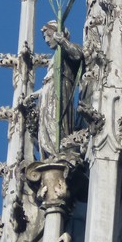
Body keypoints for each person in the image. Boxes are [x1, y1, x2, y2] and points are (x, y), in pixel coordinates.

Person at [37, 20, 84, 158]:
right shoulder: (54, 57)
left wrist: (63, 41)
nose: (46, 40)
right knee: (45, 123)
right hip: (47, 94)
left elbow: (78, 55)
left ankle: (58, 150)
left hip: (61, 90)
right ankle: (50, 153)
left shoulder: (66, 48)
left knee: (55, 121)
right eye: (45, 37)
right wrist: (36, 94)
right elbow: (48, 81)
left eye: (49, 35)